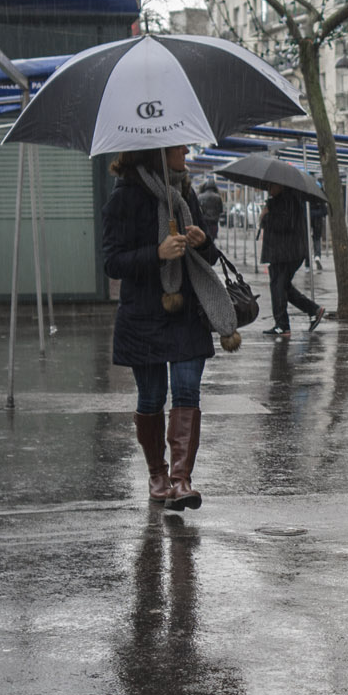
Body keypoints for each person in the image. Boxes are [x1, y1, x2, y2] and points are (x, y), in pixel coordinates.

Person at [102, 145, 239, 511]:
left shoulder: (186, 192)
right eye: (179, 148)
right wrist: (158, 253)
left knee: (186, 391)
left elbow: (208, 256)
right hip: (144, 314)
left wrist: (202, 241)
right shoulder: (124, 198)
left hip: (186, 313)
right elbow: (112, 262)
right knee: (151, 398)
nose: (185, 152)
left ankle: (181, 480)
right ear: (157, 153)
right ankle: (158, 475)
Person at [260, 186, 325, 336]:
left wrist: (266, 217)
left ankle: (283, 325)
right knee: (283, 287)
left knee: (278, 286)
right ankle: (313, 310)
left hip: (286, 253)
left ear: (279, 186)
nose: (269, 188)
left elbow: (284, 224)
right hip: (283, 252)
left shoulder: (288, 201)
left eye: (271, 185)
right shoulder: (282, 200)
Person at [308, 199, 329, 270]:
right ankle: (317, 256)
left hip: (308, 219)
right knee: (317, 239)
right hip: (318, 221)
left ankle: (307, 262)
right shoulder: (319, 198)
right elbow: (325, 211)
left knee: (306, 240)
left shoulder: (306, 197)